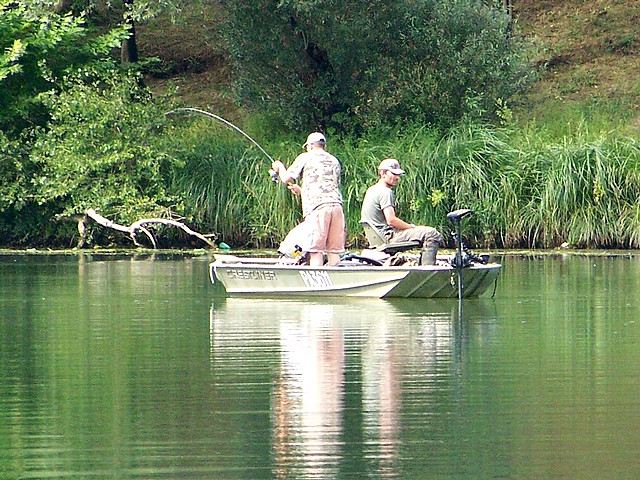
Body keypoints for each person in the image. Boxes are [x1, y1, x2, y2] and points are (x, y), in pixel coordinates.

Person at [271, 132, 345, 266]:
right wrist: (301, 191)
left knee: (315, 250)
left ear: (310, 146)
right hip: (337, 206)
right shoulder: (334, 160)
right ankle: (337, 280)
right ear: (324, 146)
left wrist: (279, 167)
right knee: (333, 251)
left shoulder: (306, 157)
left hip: (317, 208)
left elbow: (287, 178)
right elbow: (328, 186)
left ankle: (316, 282)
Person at [360, 158, 444, 265]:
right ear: (383, 173)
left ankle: (420, 264)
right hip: (388, 237)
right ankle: (427, 268)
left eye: (398, 175)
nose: (397, 177)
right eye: (394, 174)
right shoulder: (385, 192)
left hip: (379, 236)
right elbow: (391, 220)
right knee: (431, 233)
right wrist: (411, 227)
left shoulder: (371, 190)